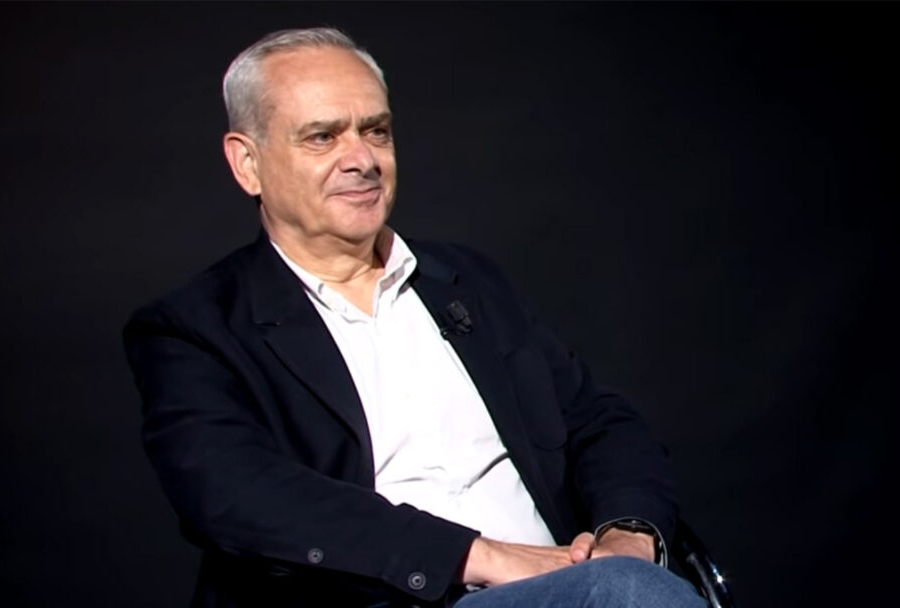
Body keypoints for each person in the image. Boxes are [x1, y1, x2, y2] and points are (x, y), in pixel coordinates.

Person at [124, 28, 707, 608]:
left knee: (628, 587)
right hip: (394, 599)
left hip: (575, 589)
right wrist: (480, 556)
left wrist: (629, 536)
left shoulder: (466, 283)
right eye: (322, 137)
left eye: (375, 131)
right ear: (247, 163)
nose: (362, 160)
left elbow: (598, 421)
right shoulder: (195, 330)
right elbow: (239, 496)